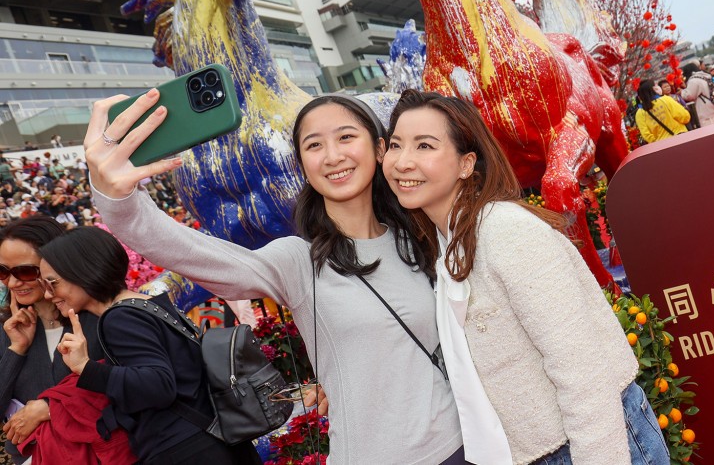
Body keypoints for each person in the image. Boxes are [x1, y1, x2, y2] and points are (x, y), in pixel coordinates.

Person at [84, 91, 465, 465]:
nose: (333, 156)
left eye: (346, 137)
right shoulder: (298, 260)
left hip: (460, 442)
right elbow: (188, 251)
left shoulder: (417, 238)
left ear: (380, 148)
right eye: (314, 145)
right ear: (302, 164)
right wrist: (118, 198)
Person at [384, 90, 667, 465]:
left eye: (424, 146)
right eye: (395, 145)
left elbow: (582, 371)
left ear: (466, 164)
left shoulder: (505, 231)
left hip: (590, 443)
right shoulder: (447, 243)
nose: (403, 162)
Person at [38, 227, 252, 464]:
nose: (47, 295)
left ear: (81, 271)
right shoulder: (148, 305)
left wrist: (85, 367)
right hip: (213, 439)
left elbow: (158, 385)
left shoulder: (120, 318)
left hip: (185, 450)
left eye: (51, 283)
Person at [0, 215, 100, 464]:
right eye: (3, 272)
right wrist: (16, 349)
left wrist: (51, 407)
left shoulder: (95, 318)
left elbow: (126, 387)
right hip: (34, 456)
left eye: (25, 271)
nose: (13, 282)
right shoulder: (7, 328)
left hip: (96, 454)